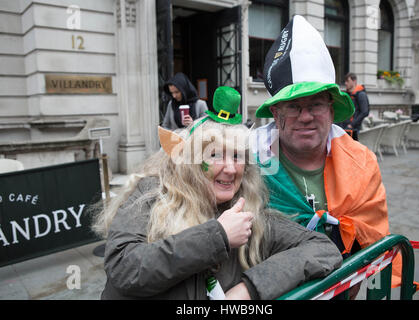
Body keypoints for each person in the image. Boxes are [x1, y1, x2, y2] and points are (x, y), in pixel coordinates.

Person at [92, 86, 342, 300]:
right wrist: (218, 236)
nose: (231, 169)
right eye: (215, 155)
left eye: (237, 156)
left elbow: (323, 249)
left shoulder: (248, 212)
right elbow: (124, 268)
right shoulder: (151, 193)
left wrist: (249, 289)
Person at [251, 15, 391, 298]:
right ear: (276, 115)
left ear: (331, 110)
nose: (305, 117)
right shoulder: (246, 160)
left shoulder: (361, 163)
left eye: (315, 104)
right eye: (293, 106)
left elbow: (370, 241)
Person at [336, 73, 370, 141]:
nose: (345, 83)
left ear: (354, 81)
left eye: (347, 81)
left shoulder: (361, 94)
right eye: (345, 81)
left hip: (353, 129)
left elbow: (365, 112)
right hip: (343, 127)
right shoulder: (347, 94)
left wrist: (352, 125)